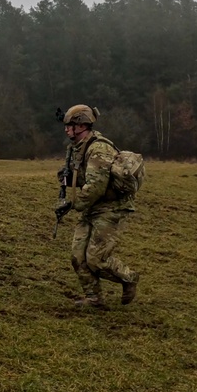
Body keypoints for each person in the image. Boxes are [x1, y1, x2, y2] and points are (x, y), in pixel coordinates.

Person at [57, 104, 140, 308]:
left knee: (96, 259)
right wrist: (69, 180)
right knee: (77, 256)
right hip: (92, 208)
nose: (66, 129)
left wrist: (72, 204)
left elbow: (96, 187)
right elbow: (87, 179)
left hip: (112, 208)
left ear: (81, 126)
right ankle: (94, 298)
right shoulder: (79, 148)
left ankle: (129, 277)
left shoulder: (98, 149)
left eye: (70, 125)